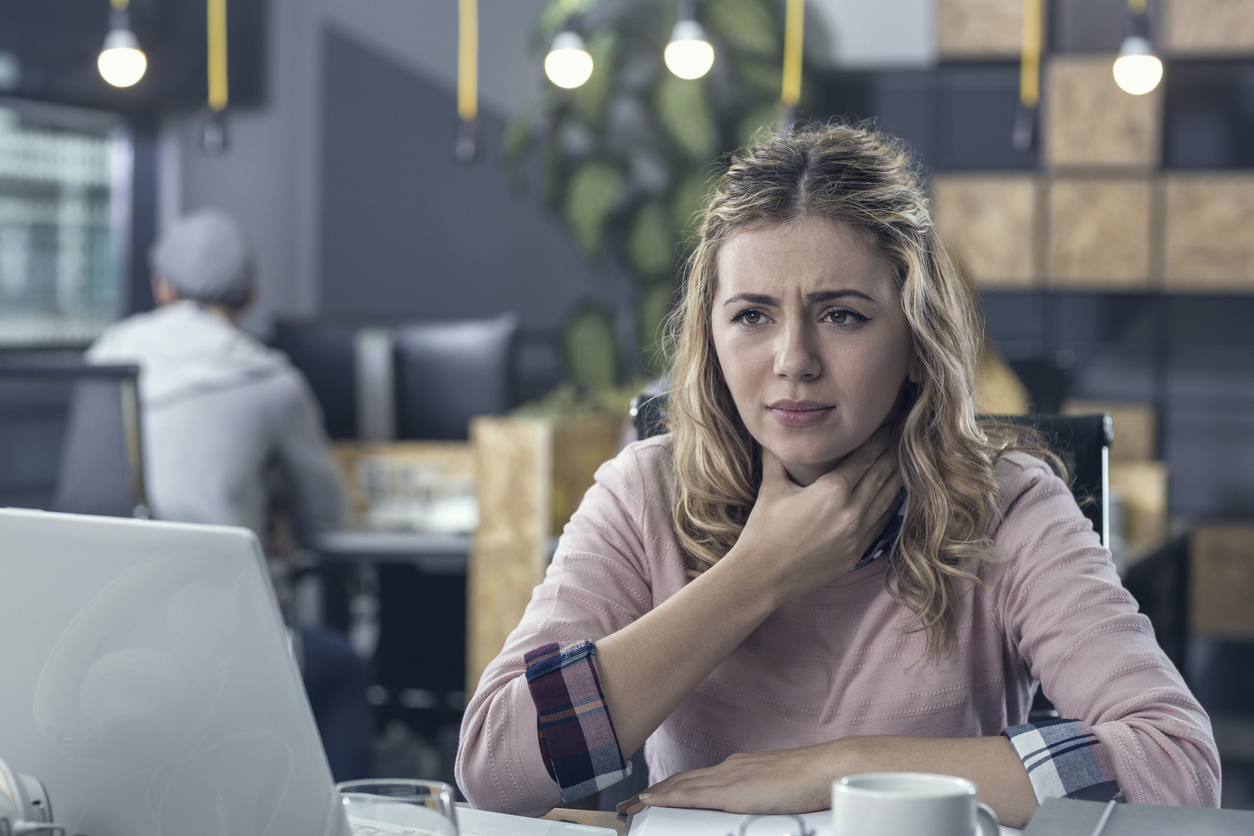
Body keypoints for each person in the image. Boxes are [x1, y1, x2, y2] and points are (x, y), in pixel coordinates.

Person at [456, 123, 1221, 823]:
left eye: (842, 314)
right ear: (710, 340)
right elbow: (496, 767)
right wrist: (759, 573)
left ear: (917, 341)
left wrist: (841, 770)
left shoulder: (1010, 507)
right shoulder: (642, 494)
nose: (793, 362)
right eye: (752, 315)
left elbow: (1177, 770)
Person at [87, 207, 371, 781]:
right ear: (250, 295)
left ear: (160, 284)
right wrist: (275, 507)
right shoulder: (271, 378)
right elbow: (330, 518)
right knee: (343, 669)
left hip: (98, 638)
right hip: (217, 647)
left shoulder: (107, 355)